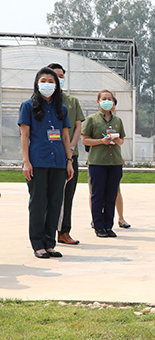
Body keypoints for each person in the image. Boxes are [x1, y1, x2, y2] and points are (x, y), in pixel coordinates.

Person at [18, 67, 74, 258]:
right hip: (38, 161)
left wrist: (69, 161)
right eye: (44, 80)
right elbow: (24, 136)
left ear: (57, 86)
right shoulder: (28, 106)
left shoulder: (62, 109)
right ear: (36, 83)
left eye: (51, 81)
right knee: (38, 203)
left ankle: (50, 243)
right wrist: (26, 162)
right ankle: (38, 244)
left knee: (55, 203)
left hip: (58, 162)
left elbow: (65, 138)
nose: (48, 84)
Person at [48, 63, 85, 246]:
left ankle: (64, 232)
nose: (59, 79)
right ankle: (46, 232)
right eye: (55, 75)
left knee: (67, 195)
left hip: (70, 154)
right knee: (49, 195)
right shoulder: (41, 101)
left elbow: (78, 126)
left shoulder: (71, 101)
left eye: (62, 76)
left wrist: (71, 145)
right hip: (48, 155)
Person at [81, 90, 126, 238]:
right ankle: (98, 226)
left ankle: (108, 225)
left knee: (111, 195)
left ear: (113, 102)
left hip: (115, 162)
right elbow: (85, 140)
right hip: (97, 162)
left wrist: (118, 141)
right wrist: (101, 141)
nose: (107, 101)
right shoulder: (92, 120)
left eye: (109, 99)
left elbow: (122, 139)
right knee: (97, 195)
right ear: (98, 101)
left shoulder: (118, 121)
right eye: (104, 98)